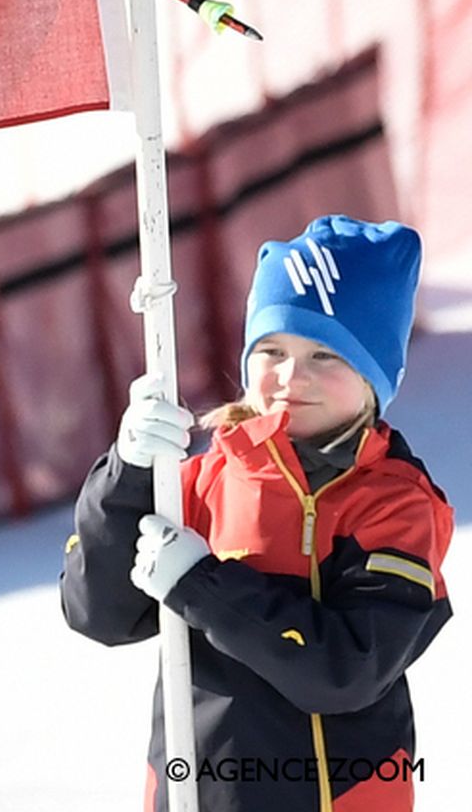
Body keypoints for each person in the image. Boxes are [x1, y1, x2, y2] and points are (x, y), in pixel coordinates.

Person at [62, 215, 453, 810]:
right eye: (271, 350)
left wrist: (202, 586)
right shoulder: (204, 479)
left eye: (327, 355)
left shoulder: (394, 505)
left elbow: (344, 671)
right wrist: (129, 472)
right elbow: (97, 611)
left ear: (376, 376)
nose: (291, 378)